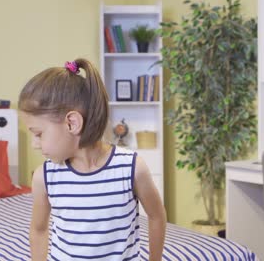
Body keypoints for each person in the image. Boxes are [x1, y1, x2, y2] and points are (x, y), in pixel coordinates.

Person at [19, 58, 166, 260]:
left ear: (72, 123)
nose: (35, 144)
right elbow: (39, 230)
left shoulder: (131, 168)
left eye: (38, 134)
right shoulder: (45, 177)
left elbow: (157, 216)